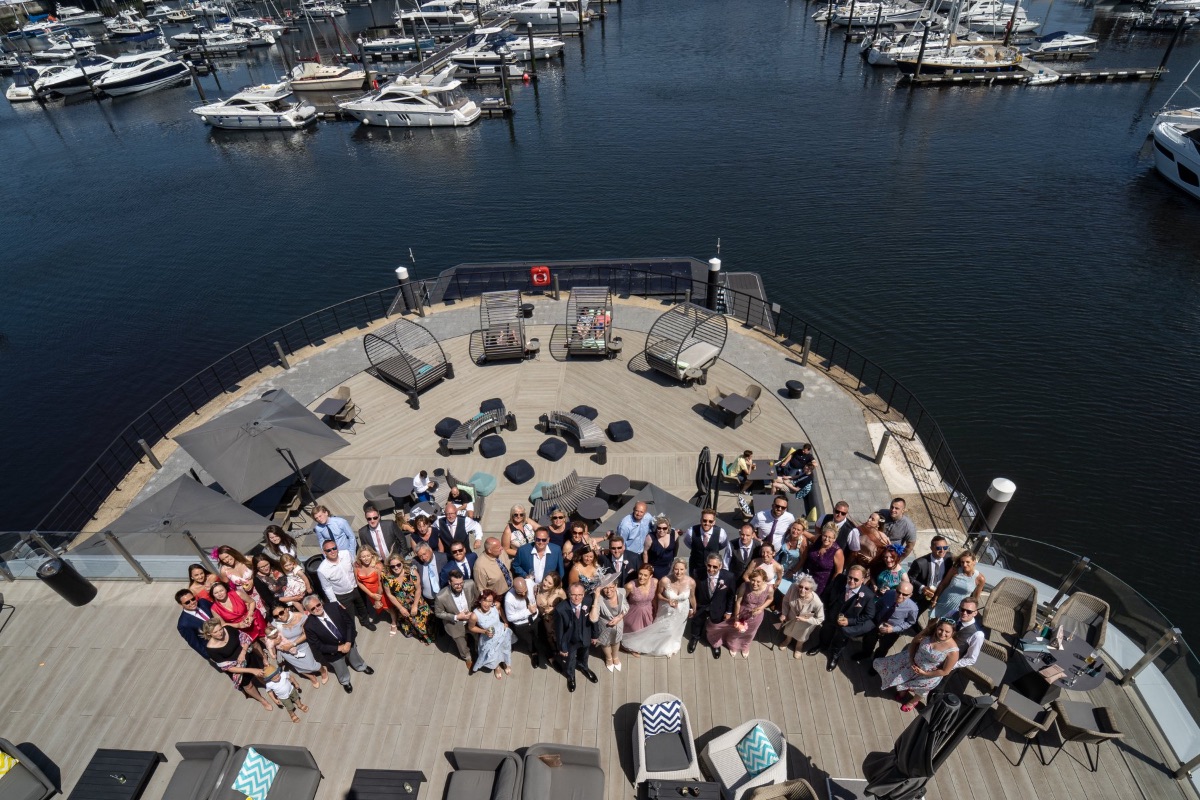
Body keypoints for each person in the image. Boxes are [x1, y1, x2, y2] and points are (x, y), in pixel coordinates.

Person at [873, 618, 960, 712]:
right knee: (900, 675)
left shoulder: (953, 651)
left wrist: (924, 673)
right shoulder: (929, 633)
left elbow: (945, 671)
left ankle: (913, 702)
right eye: (940, 629)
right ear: (936, 627)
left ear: (953, 632)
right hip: (912, 663)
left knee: (920, 690)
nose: (943, 633)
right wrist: (911, 660)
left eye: (947, 631)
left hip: (929, 675)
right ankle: (903, 690)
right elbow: (914, 643)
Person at [621, 558, 696, 658]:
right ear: (673, 568)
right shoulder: (664, 581)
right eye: (676, 569)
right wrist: (667, 600)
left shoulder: (690, 582)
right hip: (642, 611)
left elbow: (692, 596)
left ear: (686, 569)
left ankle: (670, 644)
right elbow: (658, 595)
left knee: (674, 629)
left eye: (682, 569)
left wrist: (694, 609)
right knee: (641, 631)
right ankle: (629, 646)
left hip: (678, 610)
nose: (679, 572)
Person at [807, 565, 876, 672]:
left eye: (856, 579)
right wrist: (823, 609)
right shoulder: (839, 579)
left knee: (840, 640)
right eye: (850, 577)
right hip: (831, 614)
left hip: (847, 622)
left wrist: (850, 621)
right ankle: (822, 645)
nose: (851, 581)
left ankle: (834, 655)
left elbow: (869, 615)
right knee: (825, 631)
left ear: (862, 580)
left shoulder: (868, 595)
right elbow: (828, 592)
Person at [302, 594, 374, 693]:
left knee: (354, 655)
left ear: (321, 602)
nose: (317, 609)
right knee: (340, 667)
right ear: (309, 611)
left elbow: (349, 623)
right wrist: (338, 648)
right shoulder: (309, 626)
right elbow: (317, 645)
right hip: (332, 652)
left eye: (318, 605)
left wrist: (348, 642)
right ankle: (345, 681)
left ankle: (361, 666)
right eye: (313, 609)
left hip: (348, 641)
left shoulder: (334, 606)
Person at [200, 619, 273, 711]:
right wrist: (252, 670)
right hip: (237, 669)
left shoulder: (228, 629)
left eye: (220, 629)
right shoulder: (211, 649)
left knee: (262, 675)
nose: (220, 633)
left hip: (248, 656)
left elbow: (244, 638)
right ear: (209, 634)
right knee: (248, 686)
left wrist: (243, 652)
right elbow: (228, 668)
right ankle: (262, 700)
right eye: (215, 632)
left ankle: (272, 688)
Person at [706, 568, 773, 659]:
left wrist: (761, 608)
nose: (755, 583)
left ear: (764, 581)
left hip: (756, 617)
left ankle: (745, 646)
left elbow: (770, 599)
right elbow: (738, 602)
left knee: (750, 633)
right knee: (736, 631)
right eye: (753, 580)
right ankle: (733, 645)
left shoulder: (769, 589)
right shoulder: (744, 586)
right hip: (742, 613)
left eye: (758, 581)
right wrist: (737, 619)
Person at [316, 540, 375, 631]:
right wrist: (336, 603)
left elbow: (355, 565)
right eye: (328, 550)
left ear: (337, 548)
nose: (332, 551)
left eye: (334, 548)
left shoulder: (346, 554)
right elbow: (327, 588)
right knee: (348, 616)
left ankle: (365, 622)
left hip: (356, 588)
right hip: (342, 595)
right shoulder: (322, 570)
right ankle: (352, 633)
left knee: (362, 607)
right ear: (324, 552)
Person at [859, 581, 920, 666]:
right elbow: (880, 604)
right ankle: (865, 654)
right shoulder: (890, 593)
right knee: (868, 640)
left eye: (904, 594)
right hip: (877, 622)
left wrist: (893, 629)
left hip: (892, 631)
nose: (900, 596)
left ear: (910, 595)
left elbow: (910, 622)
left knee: (883, 648)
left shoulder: (913, 609)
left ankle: (875, 665)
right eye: (898, 592)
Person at [554, 582, 600, 692]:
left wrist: (594, 635)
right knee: (570, 660)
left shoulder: (588, 601)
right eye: (574, 595)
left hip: (585, 636)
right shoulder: (560, 609)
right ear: (569, 594)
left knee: (585, 654)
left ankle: (584, 667)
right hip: (570, 641)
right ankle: (570, 676)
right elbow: (559, 631)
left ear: (584, 594)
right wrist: (562, 647)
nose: (577, 598)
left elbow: (594, 620)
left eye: (580, 595)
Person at [688, 554, 735, 658]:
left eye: (715, 567)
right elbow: (692, 592)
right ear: (706, 564)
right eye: (709, 565)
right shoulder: (697, 573)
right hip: (701, 606)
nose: (711, 569)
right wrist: (691, 608)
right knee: (697, 622)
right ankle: (695, 637)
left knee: (716, 625)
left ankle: (714, 643)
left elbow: (731, 595)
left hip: (718, 607)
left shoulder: (729, 577)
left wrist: (729, 611)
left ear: (720, 566)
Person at [268, 604, 328, 687]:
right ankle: (312, 677)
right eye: (276, 616)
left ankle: (323, 670)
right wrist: (275, 642)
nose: (280, 617)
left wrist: (293, 644)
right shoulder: (275, 623)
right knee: (298, 668)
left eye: (281, 613)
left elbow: (307, 634)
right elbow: (269, 637)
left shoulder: (300, 617)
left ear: (287, 609)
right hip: (285, 650)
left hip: (300, 645)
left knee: (311, 665)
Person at [382, 553, 435, 643]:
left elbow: (418, 589)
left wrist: (415, 605)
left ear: (402, 563)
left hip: (417, 602)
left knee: (425, 624)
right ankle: (420, 636)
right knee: (411, 625)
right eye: (393, 566)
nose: (396, 568)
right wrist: (401, 608)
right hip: (402, 605)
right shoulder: (387, 578)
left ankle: (430, 636)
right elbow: (390, 595)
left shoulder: (412, 573)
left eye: (398, 565)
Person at [434, 571, 480, 669]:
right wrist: (456, 617)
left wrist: (474, 613)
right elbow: (438, 613)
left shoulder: (470, 584)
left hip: (472, 621)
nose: (459, 586)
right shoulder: (441, 596)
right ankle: (467, 657)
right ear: (449, 583)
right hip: (455, 625)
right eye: (456, 584)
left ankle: (478, 649)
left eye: (461, 583)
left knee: (478, 637)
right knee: (461, 644)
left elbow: (477, 599)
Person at [468, 590, 513, 680]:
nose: (487, 604)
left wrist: (505, 622)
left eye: (490, 601)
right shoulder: (474, 615)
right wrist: (484, 631)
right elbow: (471, 628)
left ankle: (504, 662)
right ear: (480, 600)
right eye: (485, 600)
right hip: (489, 639)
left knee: (504, 650)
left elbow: (501, 611)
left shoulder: (496, 605)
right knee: (492, 655)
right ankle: (496, 668)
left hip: (501, 633)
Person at [503, 577, 546, 668]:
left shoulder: (529, 582)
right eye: (519, 593)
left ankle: (546, 653)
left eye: (525, 591)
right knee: (528, 640)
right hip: (521, 625)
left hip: (535, 618)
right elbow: (510, 617)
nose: (523, 594)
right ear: (514, 589)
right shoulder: (509, 599)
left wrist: (536, 591)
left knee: (540, 636)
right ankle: (533, 653)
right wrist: (528, 612)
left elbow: (536, 586)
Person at [777, 575, 824, 657]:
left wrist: (805, 620)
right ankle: (787, 640)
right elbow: (785, 601)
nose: (802, 590)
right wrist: (784, 613)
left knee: (801, 637)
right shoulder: (793, 587)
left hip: (805, 624)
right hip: (791, 617)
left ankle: (799, 647)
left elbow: (820, 619)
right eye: (800, 586)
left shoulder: (817, 603)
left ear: (811, 590)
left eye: (806, 588)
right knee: (789, 630)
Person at [355, 546, 398, 634]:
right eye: (363, 556)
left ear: (372, 555)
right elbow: (359, 583)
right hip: (370, 592)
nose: (366, 558)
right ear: (359, 557)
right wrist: (371, 595)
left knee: (388, 608)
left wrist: (377, 598)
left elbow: (380, 585)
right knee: (382, 607)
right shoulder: (356, 566)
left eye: (368, 555)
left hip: (380, 591)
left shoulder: (378, 566)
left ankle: (394, 622)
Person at [932, 551, 985, 619]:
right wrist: (935, 599)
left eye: (967, 562)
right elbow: (943, 584)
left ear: (974, 562)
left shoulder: (980, 579)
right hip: (943, 601)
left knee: (947, 627)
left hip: (958, 608)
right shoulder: (954, 571)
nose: (964, 565)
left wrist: (970, 612)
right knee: (930, 625)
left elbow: (975, 599)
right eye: (962, 562)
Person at [907, 536, 952, 616]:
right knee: (914, 614)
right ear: (931, 548)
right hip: (923, 596)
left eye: (945, 547)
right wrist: (923, 588)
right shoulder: (920, 563)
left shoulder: (949, 559)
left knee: (936, 617)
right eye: (938, 548)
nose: (942, 550)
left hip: (940, 594)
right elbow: (910, 578)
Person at [216, 546, 265, 615]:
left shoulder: (248, 560)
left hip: (261, 589)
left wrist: (252, 580)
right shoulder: (224, 570)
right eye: (223, 559)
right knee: (260, 616)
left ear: (232, 553)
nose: (226, 560)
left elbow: (261, 572)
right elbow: (226, 588)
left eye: (227, 556)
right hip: (247, 597)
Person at [684, 508, 728, 583]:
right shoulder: (691, 531)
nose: (707, 523)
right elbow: (687, 542)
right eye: (704, 520)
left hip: (712, 569)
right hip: (695, 567)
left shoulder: (721, 533)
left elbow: (723, 544)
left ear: (714, 522)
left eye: (710, 521)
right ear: (701, 520)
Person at [591, 582, 628, 671]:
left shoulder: (622, 592)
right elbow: (593, 618)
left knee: (616, 641)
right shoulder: (599, 598)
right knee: (605, 643)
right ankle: (608, 658)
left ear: (616, 586)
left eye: (611, 587)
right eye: (605, 588)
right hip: (604, 625)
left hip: (618, 624)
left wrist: (619, 617)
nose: (608, 591)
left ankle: (615, 656)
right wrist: (596, 598)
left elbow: (626, 606)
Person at [802, 523, 844, 598]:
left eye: (830, 537)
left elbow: (838, 572)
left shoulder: (837, 552)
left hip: (821, 585)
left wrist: (830, 587)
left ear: (834, 539)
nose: (826, 539)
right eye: (825, 536)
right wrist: (799, 530)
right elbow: (807, 535)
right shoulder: (818, 540)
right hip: (806, 578)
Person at [262, 659, 309, 723]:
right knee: (289, 706)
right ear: (270, 679)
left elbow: (291, 677)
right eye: (275, 678)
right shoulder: (269, 684)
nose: (278, 678)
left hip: (291, 690)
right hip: (283, 697)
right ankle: (292, 714)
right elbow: (270, 692)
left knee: (296, 698)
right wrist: (274, 699)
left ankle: (300, 705)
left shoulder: (283, 674)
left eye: (278, 676)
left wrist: (295, 683)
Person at [176, 588, 215, 658]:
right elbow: (195, 643)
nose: (192, 602)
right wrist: (210, 656)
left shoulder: (203, 602)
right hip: (215, 647)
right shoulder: (183, 624)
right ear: (180, 604)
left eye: (193, 599)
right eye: (187, 602)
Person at [535, 572, 567, 656]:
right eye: (545, 579)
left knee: (555, 636)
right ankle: (552, 651)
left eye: (549, 583)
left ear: (554, 585)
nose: (545, 583)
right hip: (542, 618)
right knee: (546, 636)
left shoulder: (559, 592)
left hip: (555, 618)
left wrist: (554, 609)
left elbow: (566, 605)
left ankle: (559, 650)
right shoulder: (536, 588)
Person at [951, 598, 986, 671]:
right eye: (962, 609)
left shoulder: (978, 635)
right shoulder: (952, 613)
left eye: (969, 611)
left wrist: (951, 666)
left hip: (950, 662)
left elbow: (971, 659)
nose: (964, 613)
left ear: (975, 613)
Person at [623, 563, 658, 636]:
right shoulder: (630, 586)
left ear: (651, 576)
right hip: (633, 614)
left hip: (649, 613)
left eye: (645, 575)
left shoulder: (655, 582)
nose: (642, 577)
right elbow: (622, 601)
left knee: (647, 634)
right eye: (640, 574)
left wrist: (656, 611)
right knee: (635, 634)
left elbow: (654, 598)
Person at [644, 514, 679, 580]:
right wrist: (646, 567)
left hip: (669, 566)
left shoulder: (674, 534)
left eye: (664, 528)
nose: (661, 530)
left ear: (668, 528)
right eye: (659, 528)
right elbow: (645, 552)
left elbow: (676, 548)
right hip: (655, 567)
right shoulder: (650, 537)